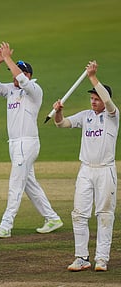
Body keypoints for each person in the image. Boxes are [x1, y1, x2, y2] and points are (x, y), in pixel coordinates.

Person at [0, 42, 63, 238]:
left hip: (27, 143)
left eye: (19, 72)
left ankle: (6, 225)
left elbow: (20, 77)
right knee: (29, 183)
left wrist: (7, 58)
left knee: (15, 184)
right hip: (14, 144)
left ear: (28, 75)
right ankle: (52, 218)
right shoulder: (11, 89)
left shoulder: (35, 90)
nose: (14, 76)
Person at [52, 61, 118, 272]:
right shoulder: (85, 116)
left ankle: (101, 259)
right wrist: (59, 112)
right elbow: (61, 124)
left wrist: (92, 76)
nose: (93, 102)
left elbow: (108, 101)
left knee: (104, 214)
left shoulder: (113, 116)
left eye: (96, 99)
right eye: (91, 98)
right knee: (79, 214)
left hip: (105, 170)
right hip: (86, 170)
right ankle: (81, 258)